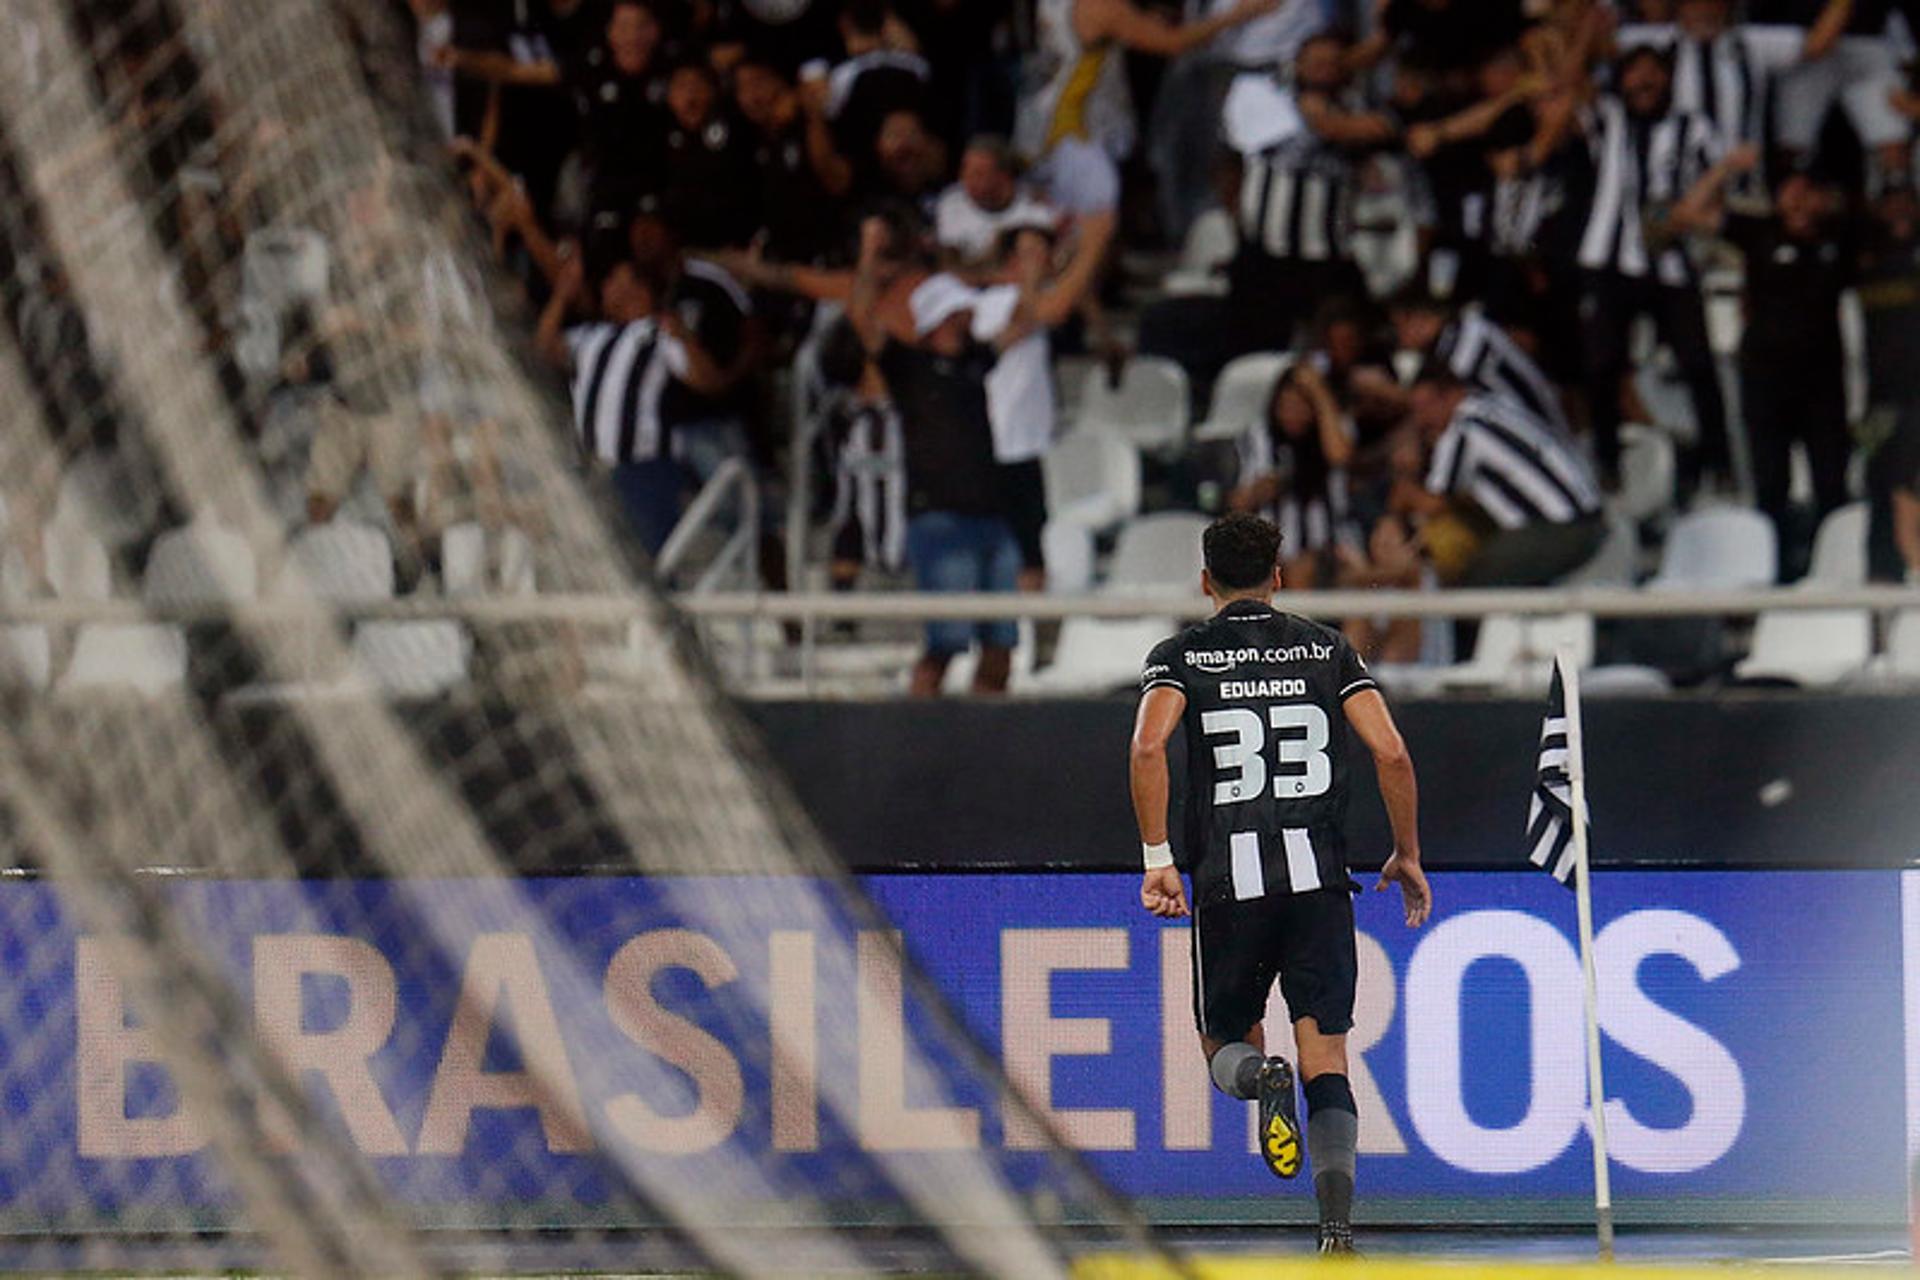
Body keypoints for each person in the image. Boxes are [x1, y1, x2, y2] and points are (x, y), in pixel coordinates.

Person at [1129, 511, 1430, 1257]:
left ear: (1205, 581)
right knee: (1325, 1056)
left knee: (1223, 1039)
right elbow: (1390, 753)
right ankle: (1335, 1232)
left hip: (1230, 882)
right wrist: (1406, 851)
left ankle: (1260, 1076)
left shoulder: (1182, 655)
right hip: (1320, 884)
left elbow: (1147, 745)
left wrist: (1157, 857)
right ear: (1280, 576)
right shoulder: (1327, 649)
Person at [1676, 149, 1853, 578]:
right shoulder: (1757, 232)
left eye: (1806, 190)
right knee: (1770, 485)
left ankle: (1838, 571)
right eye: (1788, 190)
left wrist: (1827, 206)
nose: (1796, 199)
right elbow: (1685, 215)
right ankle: (1773, 574)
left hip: (1822, 386)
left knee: (1832, 485)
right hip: (1766, 383)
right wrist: (1724, 169)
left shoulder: (1840, 237)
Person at [1572, 44, 1729, 491]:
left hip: (1672, 265)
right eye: (1634, 74)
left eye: (1653, 73)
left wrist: (1683, 217)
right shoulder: (1610, 119)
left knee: (1698, 363)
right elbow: (1571, 86)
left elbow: (1716, 189)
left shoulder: (1692, 126)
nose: (1644, 83)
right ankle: (1608, 459)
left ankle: (1718, 461)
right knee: (1601, 364)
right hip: (1608, 260)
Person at [1399, 366, 1606, 586]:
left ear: (1452, 395)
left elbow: (1433, 503)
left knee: (1468, 582)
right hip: (1591, 518)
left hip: (1557, 529)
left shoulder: (1463, 430)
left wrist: (1404, 482)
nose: (1422, 420)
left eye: (1426, 408)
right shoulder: (1498, 405)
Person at [1229, 363, 1358, 589]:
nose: (1292, 415)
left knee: (1302, 568)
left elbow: (1340, 456)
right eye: (1285, 406)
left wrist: (1319, 392)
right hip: (1271, 549)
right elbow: (1237, 503)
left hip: (1328, 547)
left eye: (1301, 407)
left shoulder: (1333, 429)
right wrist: (1257, 492)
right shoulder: (1258, 438)